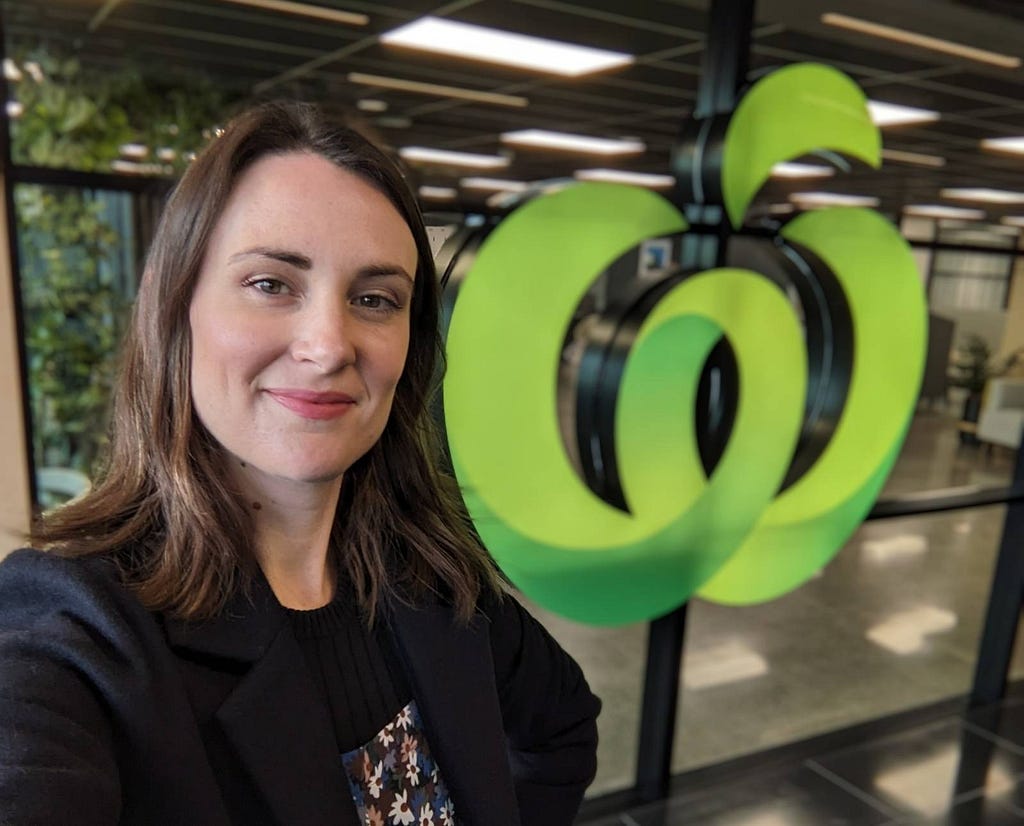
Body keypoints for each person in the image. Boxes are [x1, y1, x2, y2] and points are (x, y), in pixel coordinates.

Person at [0, 101, 600, 826]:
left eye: (375, 299)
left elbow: (562, 726)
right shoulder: (76, 634)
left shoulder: (429, 573)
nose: (328, 345)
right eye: (270, 284)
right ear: (178, 310)